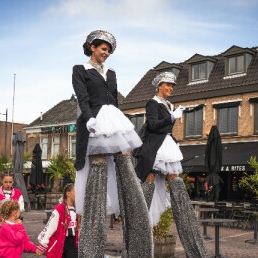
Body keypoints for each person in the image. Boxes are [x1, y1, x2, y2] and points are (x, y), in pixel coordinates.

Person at [72, 29, 153, 257]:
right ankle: (91, 247)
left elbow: (115, 101)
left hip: (114, 120)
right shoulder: (81, 70)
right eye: (103, 49)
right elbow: (82, 97)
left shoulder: (112, 72)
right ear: (92, 47)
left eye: (109, 50)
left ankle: (137, 240)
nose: (106, 53)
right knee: (96, 171)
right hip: (94, 121)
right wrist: (88, 119)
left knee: (126, 164)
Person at [135, 72, 207, 258]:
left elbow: (165, 128)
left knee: (175, 180)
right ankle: (140, 228)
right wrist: (172, 117)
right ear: (159, 86)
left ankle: (186, 222)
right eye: (167, 85)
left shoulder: (169, 104)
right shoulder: (153, 103)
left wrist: (174, 132)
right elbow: (152, 125)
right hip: (156, 148)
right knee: (150, 180)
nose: (170, 88)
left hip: (167, 144)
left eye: (172, 86)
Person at [37, 183, 78, 258]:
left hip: (72, 243)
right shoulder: (59, 209)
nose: (78, 194)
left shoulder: (77, 209)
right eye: (76, 192)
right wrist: (43, 244)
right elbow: (50, 227)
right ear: (68, 193)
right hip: (60, 242)